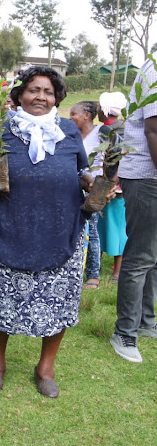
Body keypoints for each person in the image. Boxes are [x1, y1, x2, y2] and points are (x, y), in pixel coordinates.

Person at [0, 66, 100, 398]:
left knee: (58, 301)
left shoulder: (68, 131)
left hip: (60, 229)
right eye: (33, 90)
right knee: (3, 298)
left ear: (56, 97)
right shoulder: (4, 129)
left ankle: (45, 368)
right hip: (11, 227)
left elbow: (81, 170)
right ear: (19, 94)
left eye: (47, 92)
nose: (40, 97)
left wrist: (92, 182)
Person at [109, 59, 157, 363]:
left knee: (153, 255)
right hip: (146, 175)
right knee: (140, 256)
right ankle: (124, 332)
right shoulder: (154, 68)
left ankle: (147, 323)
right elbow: (153, 130)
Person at [70, 101, 104, 290]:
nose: (71, 116)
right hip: (73, 186)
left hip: (94, 187)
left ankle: (93, 275)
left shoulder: (101, 134)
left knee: (92, 231)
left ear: (87, 115)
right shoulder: (71, 135)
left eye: (74, 113)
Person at [98, 92, 129, 284]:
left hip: (110, 184)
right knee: (117, 226)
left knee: (108, 227)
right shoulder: (126, 127)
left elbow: (114, 160)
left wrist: (111, 183)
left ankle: (116, 271)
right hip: (121, 184)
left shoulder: (106, 130)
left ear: (104, 110)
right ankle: (113, 269)